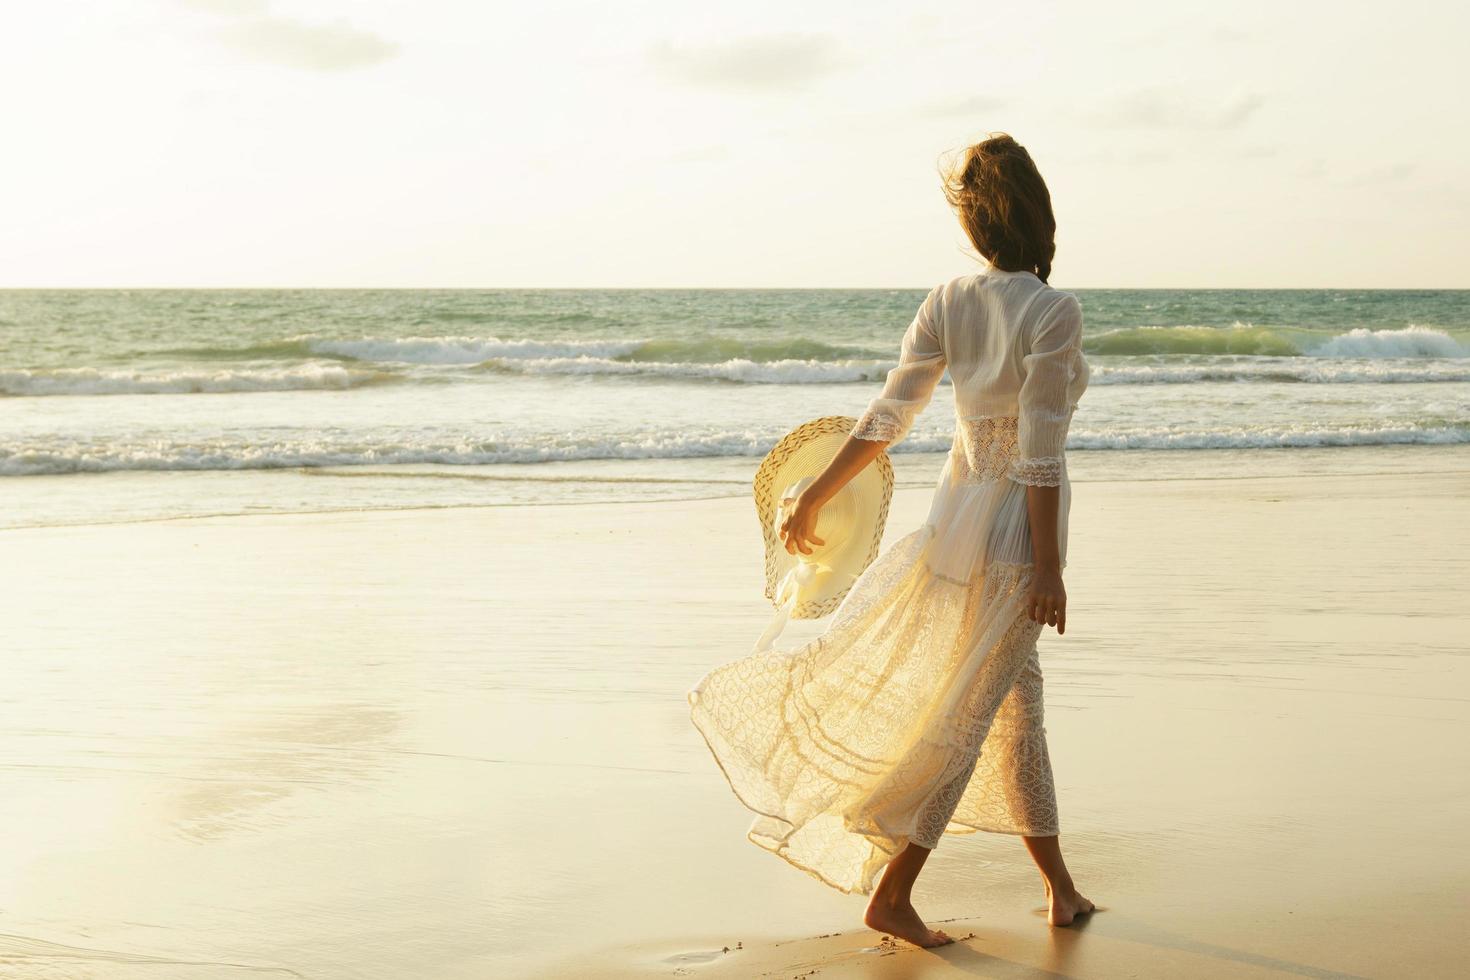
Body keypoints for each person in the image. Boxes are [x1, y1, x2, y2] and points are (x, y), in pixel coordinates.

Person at [688, 132, 1096, 949]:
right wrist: (1049, 569)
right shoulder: (1052, 311)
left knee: (1018, 711)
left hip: (956, 523)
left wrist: (818, 492)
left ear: (976, 224)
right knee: (970, 716)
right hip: (1015, 532)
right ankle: (896, 893)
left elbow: (888, 418)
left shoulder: (947, 299)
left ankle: (1061, 889)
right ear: (1040, 216)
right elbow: (1042, 453)